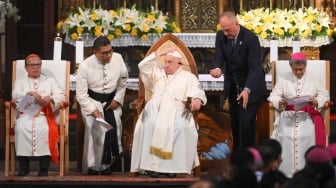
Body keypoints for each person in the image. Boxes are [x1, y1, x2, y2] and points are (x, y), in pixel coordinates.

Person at [130, 48, 207, 178]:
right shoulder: (157, 72)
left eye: (170, 62)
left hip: (178, 109)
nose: (166, 65)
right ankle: (151, 167)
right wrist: (157, 54)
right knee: (150, 124)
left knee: (179, 126)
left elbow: (198, 91)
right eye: (165, 61)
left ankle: (172, 167)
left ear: (179, 63)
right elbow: (142, 66)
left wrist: (197, 99)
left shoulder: (188, 77)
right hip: (155, 108)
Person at [210, 12, 267, 149]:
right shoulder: (220, 36)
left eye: (227, 29)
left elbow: (254, 68)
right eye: (222, 29)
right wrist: (217, 67)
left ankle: (248, 157)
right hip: (233, 86)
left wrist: (247, 89)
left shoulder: (250, 38)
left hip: (250, 85)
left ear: (236, 24)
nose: (224, 33)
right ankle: (237, 158)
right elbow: (219, 55)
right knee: (235, 123)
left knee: (246, 124)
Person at [268, 52, 330, 177]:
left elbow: (324, 95)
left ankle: (307, 173)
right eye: (295, 70)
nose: (298, 73)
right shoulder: (283, 78)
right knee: (285, 135)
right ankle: (286, 173)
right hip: (289, 115)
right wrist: (279, 101)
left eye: (301, 69)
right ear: (291, 68)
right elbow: (273, 96)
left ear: (305, 67)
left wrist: (316, 101)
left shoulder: (314, 77)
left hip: (307, 116)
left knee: (307, 134)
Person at [76, 36, 129, 175]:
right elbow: (81, 95)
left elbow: (123, 82)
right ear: (95, 52)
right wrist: (93, 110)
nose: (109, 55)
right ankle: (94, 166)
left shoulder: (118, 59)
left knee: (113, 126)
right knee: (95, 127)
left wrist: (117, 100)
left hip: (112, 102)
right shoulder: (85, 65)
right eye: (104, 53)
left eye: (110, 51)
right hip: (92, 102)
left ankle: (107, 164)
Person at [12, 54, 65, 176]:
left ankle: (43, 169)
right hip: (25, 115)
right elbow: (15, 95)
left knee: (46, 129)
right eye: (32, 65)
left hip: (43, 116)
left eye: (38, 65)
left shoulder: (50, 81)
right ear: (26, 68)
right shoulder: (20, 82)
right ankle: (24, 168)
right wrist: (29, 93)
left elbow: (61, 96)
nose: (35, 67)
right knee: (20, 128)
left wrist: (50, 99)